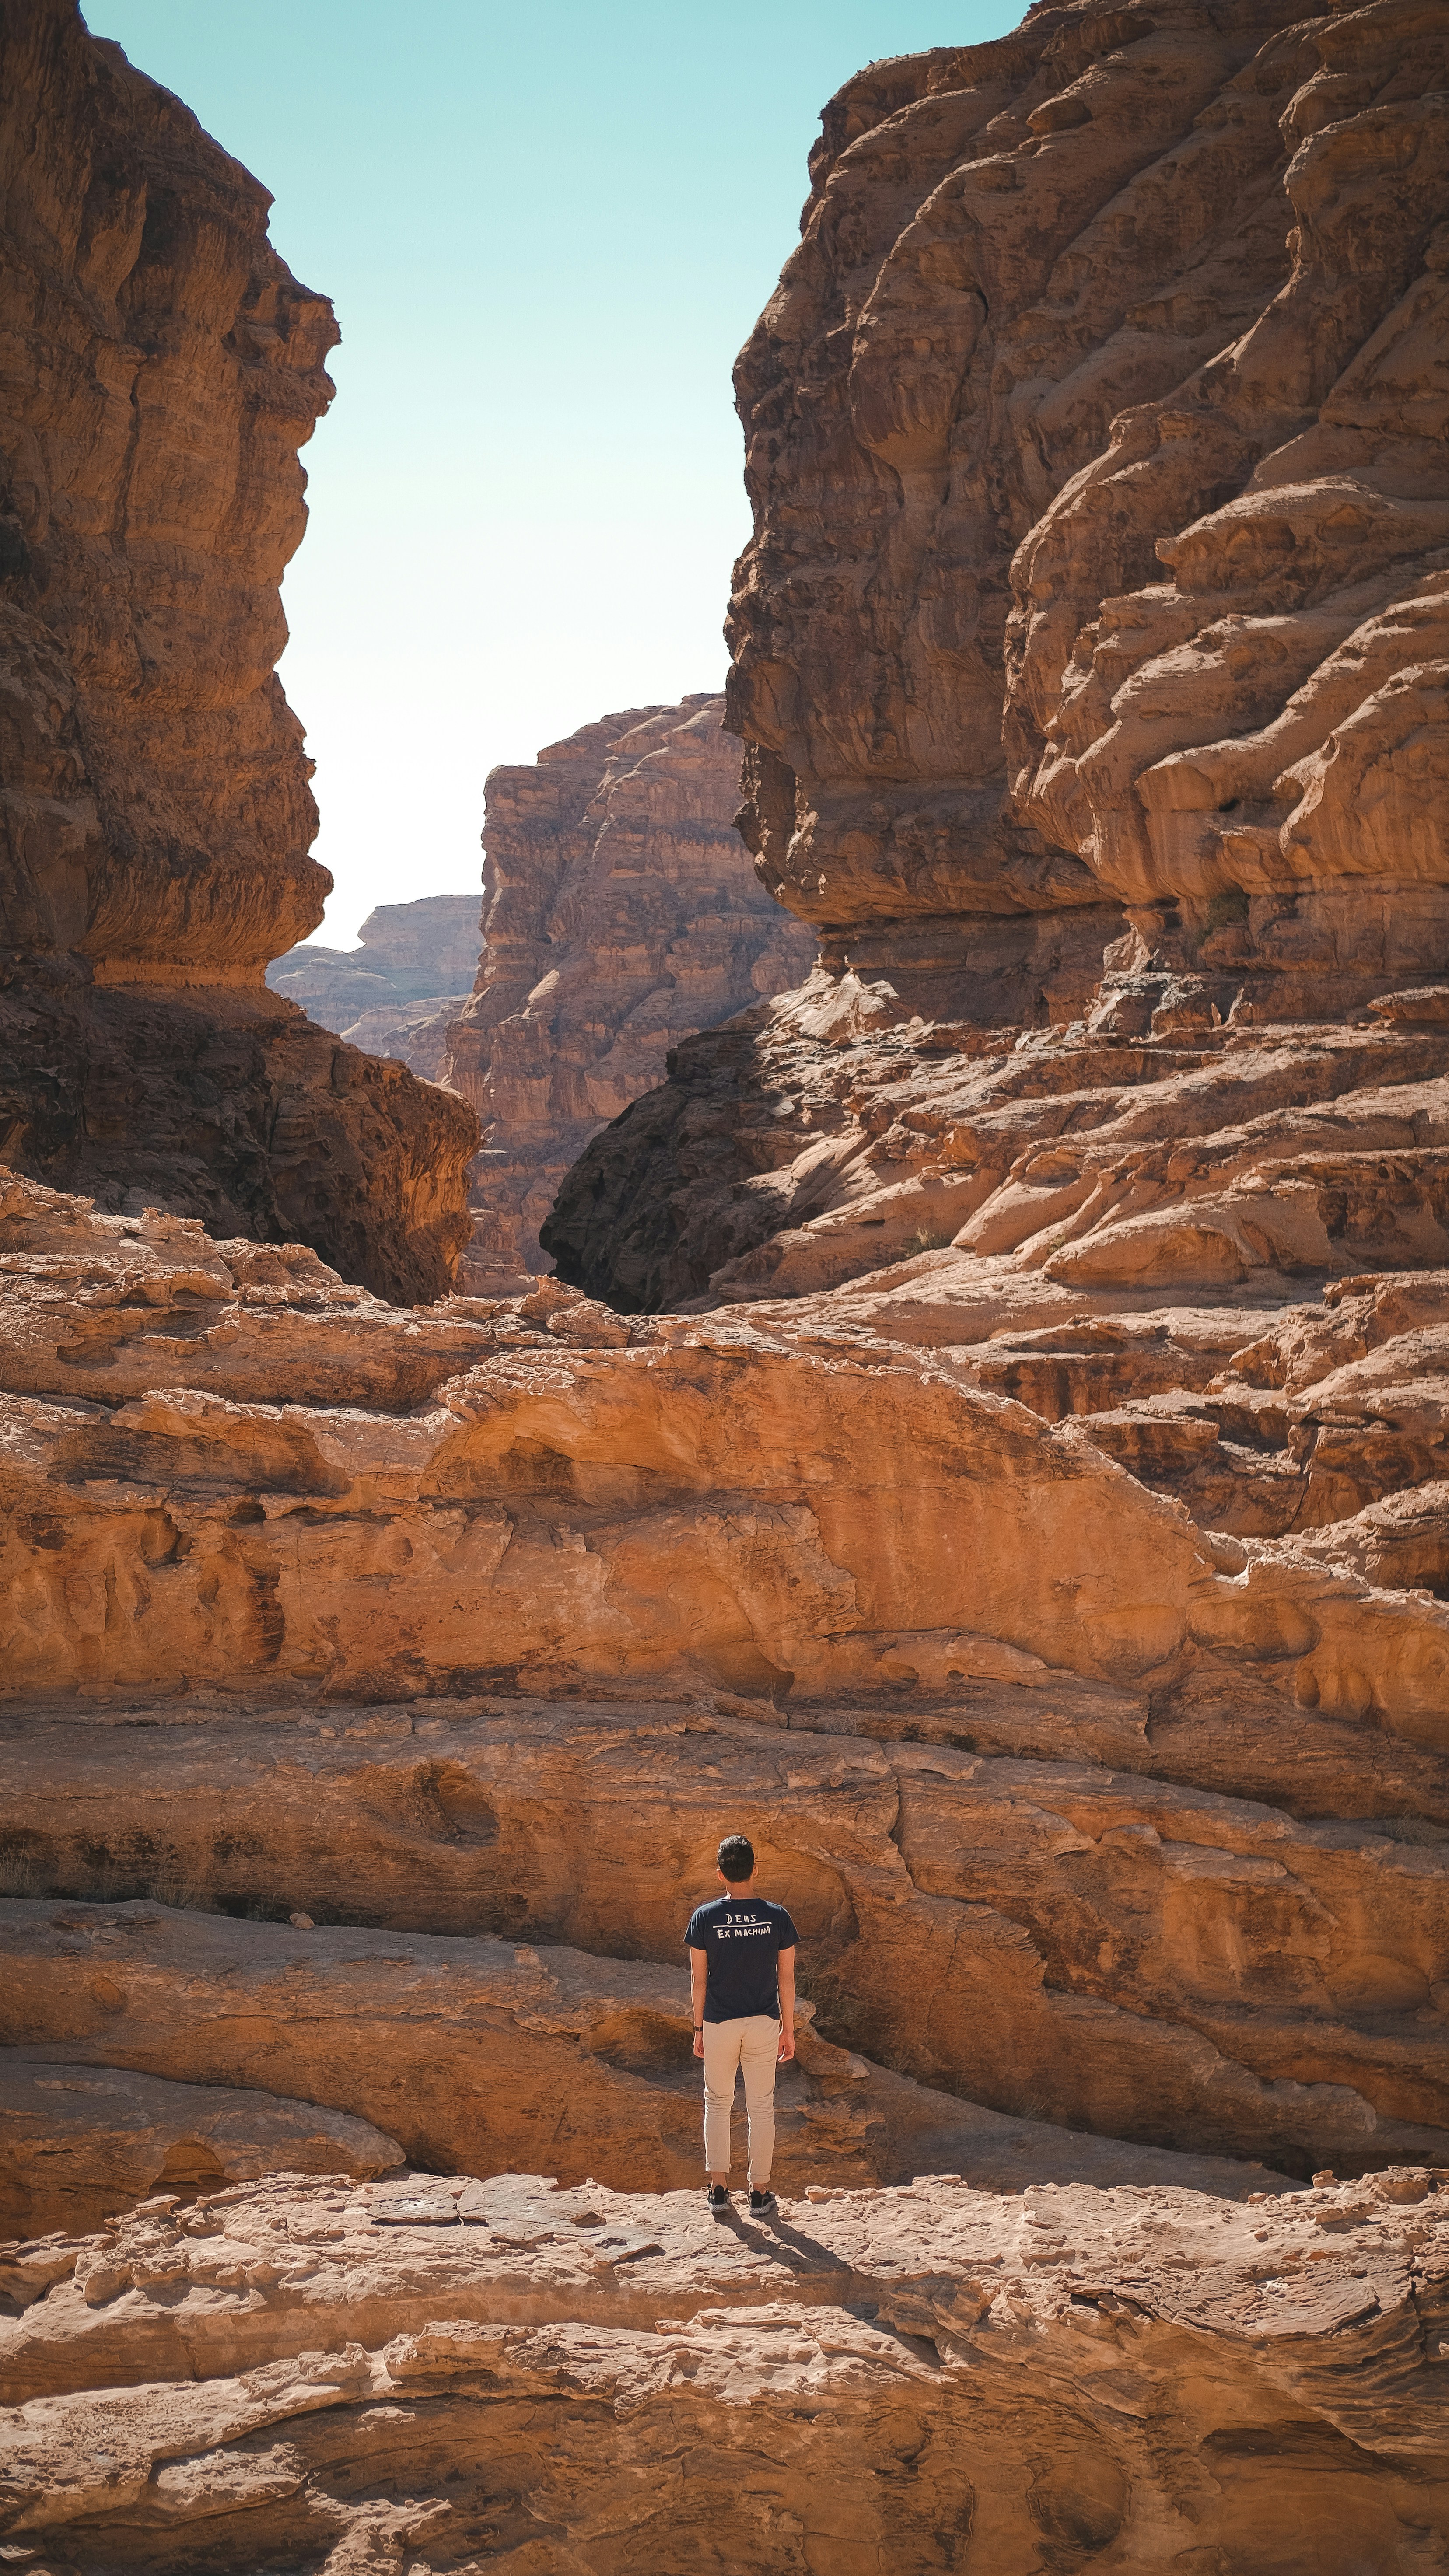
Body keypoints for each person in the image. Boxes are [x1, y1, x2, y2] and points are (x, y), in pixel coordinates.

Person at [685, 1832, 797, 2217]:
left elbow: (699, 1980)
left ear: (720, 1874)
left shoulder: (705, 1917)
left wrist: (698, 2028)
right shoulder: (777, 1916)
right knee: (761, 2107)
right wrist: (790, 2029)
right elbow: (786, 1979)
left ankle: (718, 2190)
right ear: (755, 1870)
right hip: (764, 2022)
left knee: (717, 2102)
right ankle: (760, 2193)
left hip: (719, 2021)